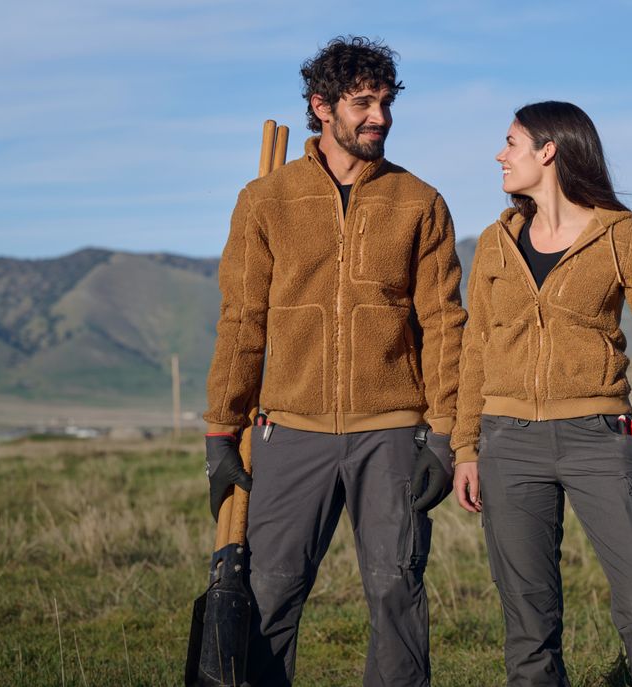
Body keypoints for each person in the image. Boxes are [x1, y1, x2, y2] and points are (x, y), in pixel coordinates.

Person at [202, 36, 465, 687]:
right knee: (269, 590)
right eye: (363, 103)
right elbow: (242, 321)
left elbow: (444, 326)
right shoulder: (265, 199)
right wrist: (220, 429)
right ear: (322, 106)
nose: (380, 116)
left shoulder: (420, 201)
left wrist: (444, 434)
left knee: (396, 588)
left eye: (386, 102)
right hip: (291, 429)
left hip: (392, 431)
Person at [451, 101, 632, 687]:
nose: (499, 155)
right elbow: (475, 348)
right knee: (527, 612)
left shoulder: (620, 234)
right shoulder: (494, 241)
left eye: (511, 143)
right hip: (507, 440)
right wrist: (466, 448)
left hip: (599, 436)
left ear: (549, 151)